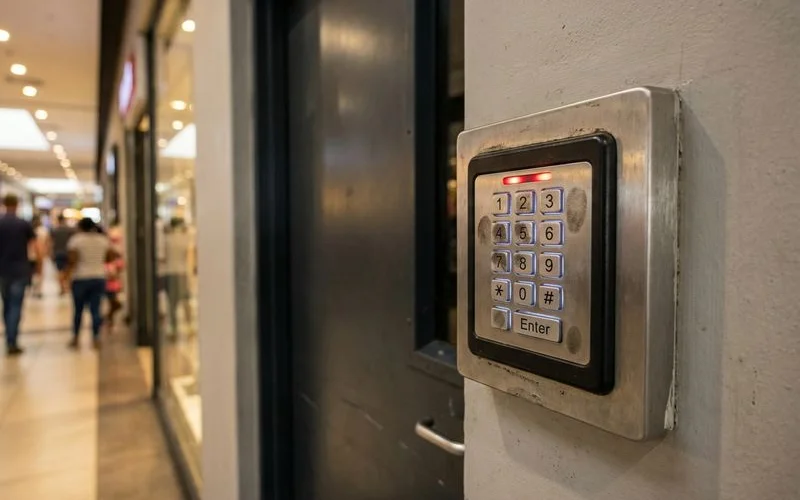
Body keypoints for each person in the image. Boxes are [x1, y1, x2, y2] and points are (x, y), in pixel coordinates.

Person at [66, 218, 114, 349]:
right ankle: (96, 337)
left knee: (78, 310)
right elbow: (109, 257)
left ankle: (76, 337)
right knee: (95, 309)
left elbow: (72, 260)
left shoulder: (76, 240)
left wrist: (66, 276)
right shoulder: (102, 240)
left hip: (80, 278)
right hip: (98, 277)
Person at [0, 195, 35, 355]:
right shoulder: (23, 224)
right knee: (15, 305)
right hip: (20, 270)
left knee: (6, 304)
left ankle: (9, 335)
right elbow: (33, 246)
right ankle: (12, 340)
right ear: (17, 204)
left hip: (3, 271)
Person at [162, 217, 192, 337]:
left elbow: (163, 257)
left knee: (172, 303)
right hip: (182, 272)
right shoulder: (185, 238)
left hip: (170, 272)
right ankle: (189, 325)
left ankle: (173, 327)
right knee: (186, 300)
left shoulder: (167, 239)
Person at [51, 213, 76, 295]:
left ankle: (62, 287)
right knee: (68, 270)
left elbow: (51, 243)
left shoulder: (54, 230)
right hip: (68, 253)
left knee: (60, 271)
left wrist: (51, 253)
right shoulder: (70, 230)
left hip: (57, 253)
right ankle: (67, 286)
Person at [29, 215, 50, 298]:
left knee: (33, 273)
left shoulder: (31, 230)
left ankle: (34, 289)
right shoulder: (43, 230)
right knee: (39, 273)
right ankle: (38, 290)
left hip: (30, 254)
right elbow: (47, 243)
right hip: (39, 254)